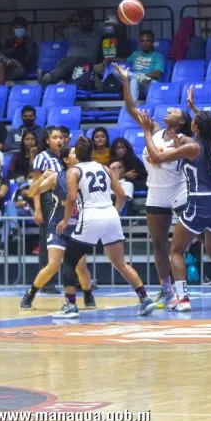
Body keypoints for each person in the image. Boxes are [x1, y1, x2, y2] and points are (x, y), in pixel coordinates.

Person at [137, 109, 211, 311]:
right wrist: (194, 111)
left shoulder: (193, 147)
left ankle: (182, 299)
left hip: (201, 201)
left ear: (195, 126)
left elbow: (156, 157)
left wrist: (146, 131)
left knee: (176, 250)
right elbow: (210, 129)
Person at [113, 62, 192, 308]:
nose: (169, 110)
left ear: (181, 121)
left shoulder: (184, 140)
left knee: (196, 242)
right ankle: (166, 289)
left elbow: (159, 159)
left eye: (175, 111)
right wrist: (126, 81)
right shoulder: (154, 130)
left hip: (179, 190)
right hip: (156, 192)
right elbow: (130, 108)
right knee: (158, 244)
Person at [57, 137, 155, 317]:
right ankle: (145, 298)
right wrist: (115, 211)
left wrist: (65, 220)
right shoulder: (105, 168)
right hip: (110, 215)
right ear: (92, 151)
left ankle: (70, 305)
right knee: (120, 263)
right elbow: (121, 195)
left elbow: (71, 198)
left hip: (91, 215)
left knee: (70, 260)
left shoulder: (74, 171)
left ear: (77, 154)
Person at [20, 146, 96, 315]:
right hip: (58, 226)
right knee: (53, 265)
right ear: (66, 160)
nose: (77, 154)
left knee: (81, 266)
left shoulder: (85, 175)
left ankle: (88, 294)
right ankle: (30, 294)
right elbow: (32, 192)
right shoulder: (56, 177)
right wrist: (41, 178)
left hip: (77, 227)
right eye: (73, 153)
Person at [31, 126, 66, 294]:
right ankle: (46, 283)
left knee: (70, 240)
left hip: (64, 202)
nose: (59, 140)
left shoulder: (65, 157)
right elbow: (36, 185)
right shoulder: (42, 157)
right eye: (55, 137)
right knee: (47, 241)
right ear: (47, 140)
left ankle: (76, 280)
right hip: (48, 201)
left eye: (61, 137)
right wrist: (37, 209)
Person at [125, 30, 166, 99]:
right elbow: (124, 60)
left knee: (134, 79)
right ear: (140, 43)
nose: (145, 43)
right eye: (142, 41)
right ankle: (133, 105)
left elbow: (157, 74)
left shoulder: (158, 56)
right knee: (117, 71)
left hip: (148, 83)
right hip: (135, 84)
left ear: (152, 42)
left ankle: (133, 105)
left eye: (148, 41)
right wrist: (110, 59)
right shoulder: (136, 54)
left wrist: (143, 76)